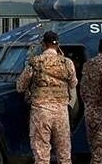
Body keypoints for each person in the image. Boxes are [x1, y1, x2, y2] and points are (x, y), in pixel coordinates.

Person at [16, 31, 78, 164]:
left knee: (42, 156)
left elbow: (20, 86)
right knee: (64, 156)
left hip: (41, 113)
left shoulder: (35, 62)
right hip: (61, 113)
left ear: (43, 45)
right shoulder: (67, 63)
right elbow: (73, 83)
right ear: (58, 45)